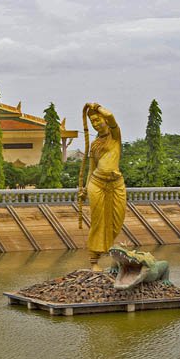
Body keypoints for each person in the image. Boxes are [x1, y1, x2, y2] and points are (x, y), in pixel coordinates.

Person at [81, 103, 126, 272]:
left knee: (117, 220)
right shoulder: (94, 144)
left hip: (116, 184)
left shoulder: (115, 136)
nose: (95, 124)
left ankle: (109, 250)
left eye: (98, 120)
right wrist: (85, 189)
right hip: (97, 183)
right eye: (92, 122)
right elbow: (91, 169)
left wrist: (96, 107)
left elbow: (111, 116)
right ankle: (94, 259)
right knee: (98, 221)